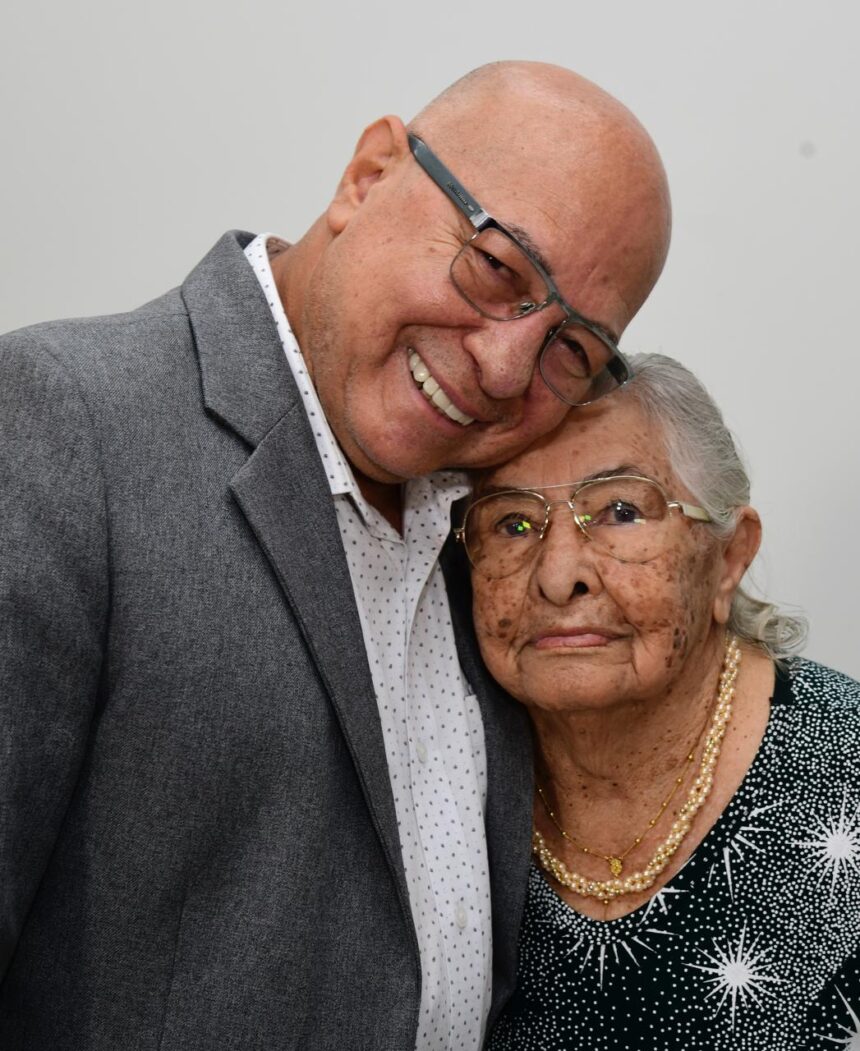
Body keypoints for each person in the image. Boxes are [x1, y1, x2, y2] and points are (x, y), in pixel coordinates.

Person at [0, 63, 672, 1048]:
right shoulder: (58, 422)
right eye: (496, 268)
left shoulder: (498, 534)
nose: (502, 367)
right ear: (368, 175)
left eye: (569, 348)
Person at [455, 353, 860, 1050]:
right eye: (513, 522)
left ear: (729, 557)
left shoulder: (845, 766)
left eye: (620, 511)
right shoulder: (441, 779)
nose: (558, 575)